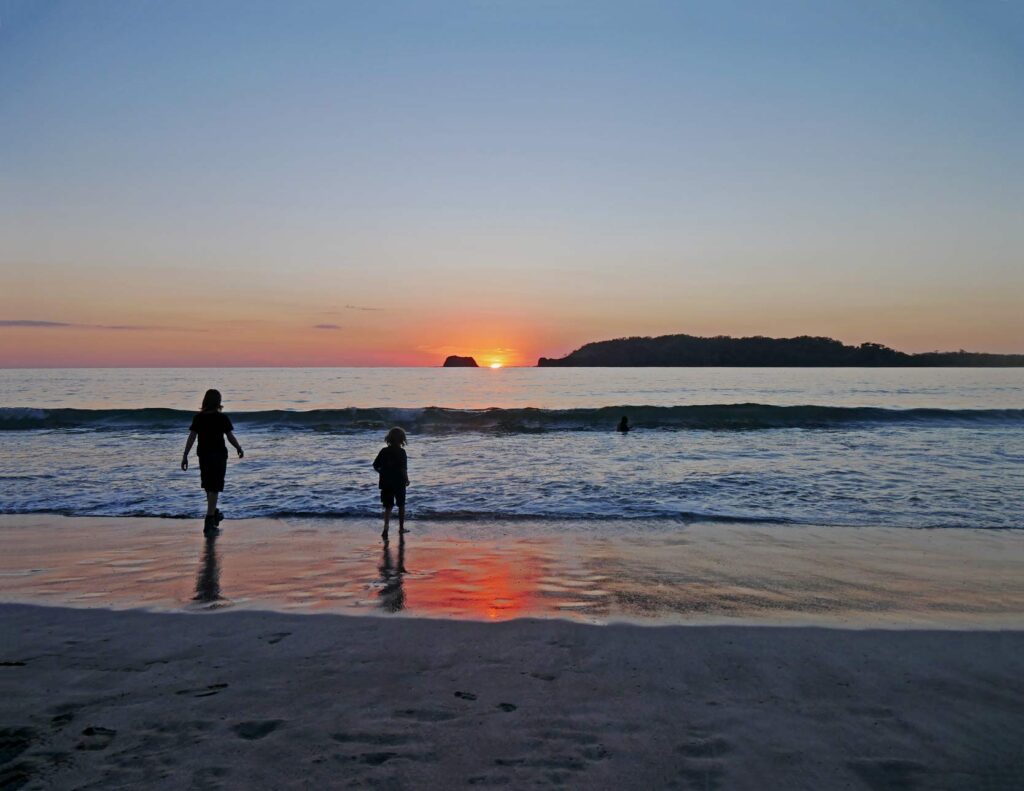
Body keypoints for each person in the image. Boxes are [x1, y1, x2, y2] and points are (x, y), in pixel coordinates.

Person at [181, 389, 244, 534]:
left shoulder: (199, 418)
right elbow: (230, 436)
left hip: (203, 455)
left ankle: (214, 513)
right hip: (219, 456)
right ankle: (209, 521)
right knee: (214, 486)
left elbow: (191, 437)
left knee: (209, 486)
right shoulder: (222, 418)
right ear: (218, 402)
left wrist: (185, 455)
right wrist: (239, 448)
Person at [373, 427, 409, 539]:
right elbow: (403, 469)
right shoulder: (402, 452)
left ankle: (386, 527)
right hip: (399, 482)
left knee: (388, 506)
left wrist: (382, 472)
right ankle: (401, 528)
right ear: (402, 439)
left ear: (389, 438)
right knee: (401, 505)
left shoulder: (384, 451)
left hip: (386, 482)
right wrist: (407, 479)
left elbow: (375, 465)